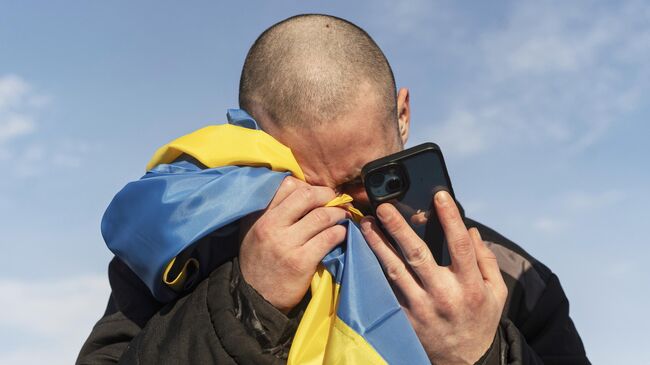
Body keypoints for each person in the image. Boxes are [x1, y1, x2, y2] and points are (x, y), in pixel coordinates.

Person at [77, 14, 590, 365]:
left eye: (363, 181)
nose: (339, 212)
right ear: (253, 146)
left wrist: (483, 353)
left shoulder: (512, 279)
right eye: (299, 189)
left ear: (402, 116)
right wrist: (245, 306)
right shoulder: (188, 250)